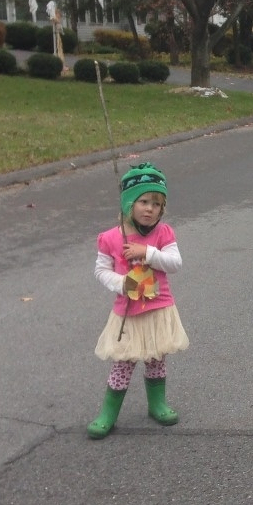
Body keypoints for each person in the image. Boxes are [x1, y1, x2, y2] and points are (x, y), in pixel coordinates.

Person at [87, 163, 189, 439]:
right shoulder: (110, 238)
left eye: (157, 203)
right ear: (128, 203)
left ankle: (157, 404)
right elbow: (100, 271)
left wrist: (149, 252)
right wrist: (121, 284)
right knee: (123, 362)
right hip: (128, 313)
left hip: (159, 308)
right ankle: (108, 413)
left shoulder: (163, 234)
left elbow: (175, 263)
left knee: (156, 359)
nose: (150, 209)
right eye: (143, 201)